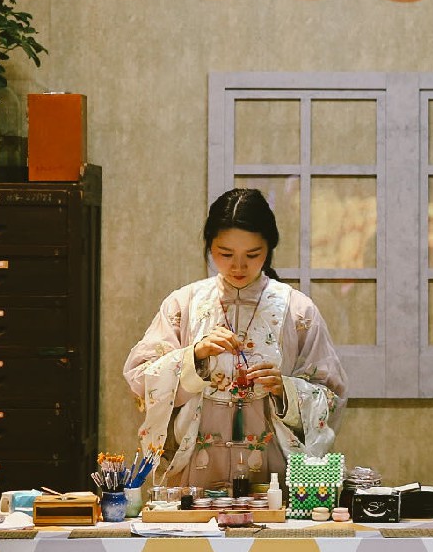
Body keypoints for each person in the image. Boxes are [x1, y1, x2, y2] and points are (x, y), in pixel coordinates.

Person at [124, 188, 346, 491]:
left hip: (271, 472)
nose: (238, 266)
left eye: (252, 255)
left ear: (269, 247)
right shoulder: (183, 304)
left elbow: (331, 394)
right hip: (196, 469)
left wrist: (285, 391)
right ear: (209, 246)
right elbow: (140, 380)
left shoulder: (297, 310)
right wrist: (193, 358)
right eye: (225, 254)